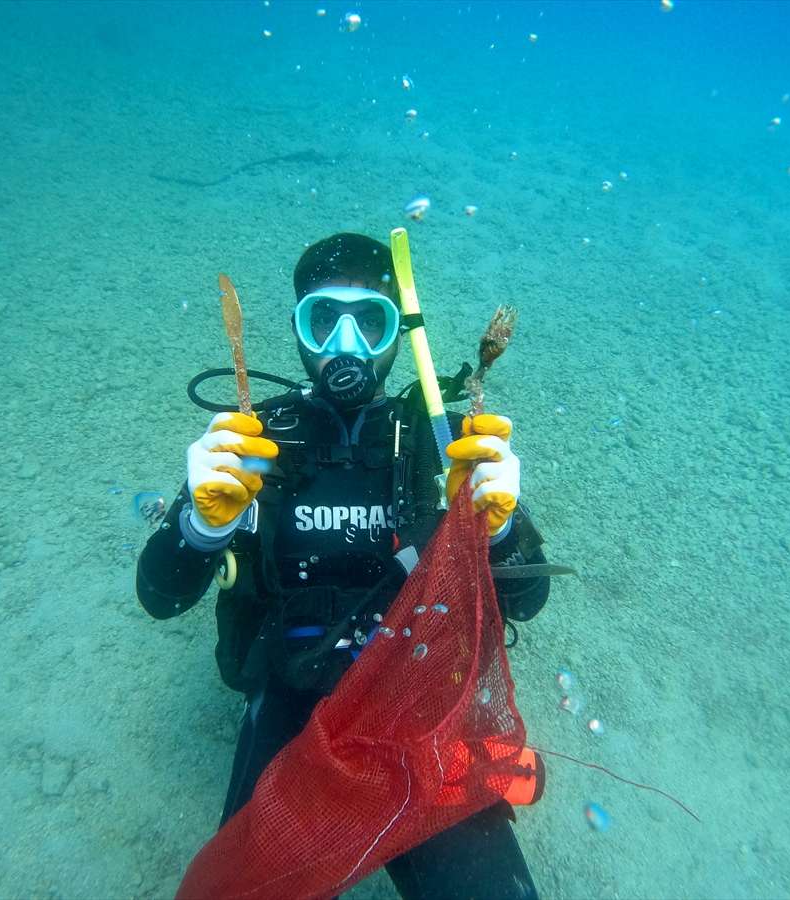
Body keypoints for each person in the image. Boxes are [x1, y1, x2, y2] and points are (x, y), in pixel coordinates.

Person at [137, 233, 551, 900]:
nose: (347, 346)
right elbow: (159, 596)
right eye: (324, 320)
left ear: (399, 332)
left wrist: (499, 528)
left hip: (419, 701)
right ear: (299, 327)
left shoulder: (439, 442)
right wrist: (202, 525)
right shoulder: (254, 442)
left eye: (371, 322)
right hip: (292, 695)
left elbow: (526, 602)